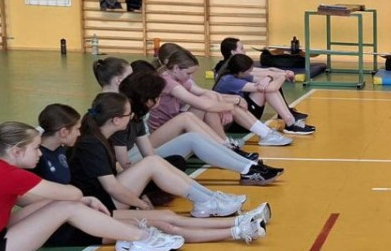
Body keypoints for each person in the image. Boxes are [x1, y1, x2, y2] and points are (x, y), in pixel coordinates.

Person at [0, 122, 183, 251]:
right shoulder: (11, 175)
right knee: (67, 207)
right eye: (36, 148)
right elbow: (71, 194)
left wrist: (85, 199)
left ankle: (126, 237)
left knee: (52, 205)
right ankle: (142, 238)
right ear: (16, 152)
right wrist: (82, 198)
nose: (40, 153)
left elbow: (38, 200)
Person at [36, 103, 269, 245]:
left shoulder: (61, 151)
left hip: (87, 212)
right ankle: (236, 230)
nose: (79, 133)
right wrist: (139, 203)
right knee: (164, 224)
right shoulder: (52, 156)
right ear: (63, 132)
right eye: (75, 129)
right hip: (74, 225)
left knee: (167, 217)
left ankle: (238, 222)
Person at [119, 69, 283, 186]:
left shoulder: (134, 114)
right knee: (191, 135)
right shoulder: (120, 116)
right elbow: (124, 163)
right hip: (133, 164)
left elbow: (147, 152)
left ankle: (248, 166)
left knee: (188, 121)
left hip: (143, 154)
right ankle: (246, 167)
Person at [154, 48, 293, 147]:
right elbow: (202, 104)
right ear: (176, 68)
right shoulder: (169, 82)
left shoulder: (180, 78)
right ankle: (225, 142)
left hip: (178, 121)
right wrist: (229, 106)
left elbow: (207, 93)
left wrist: (229, 102)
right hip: (167, 130)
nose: (191, 77)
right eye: (189, 73)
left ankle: (265, 134)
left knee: (212, 99)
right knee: (209, 105)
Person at [214, 54, 315, 135]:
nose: (251, 72)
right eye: (249, 71)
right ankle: (290, 123)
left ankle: (290, 121)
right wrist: (284, 76)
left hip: (243, 112)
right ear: (240, 72)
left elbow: (266, 77)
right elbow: (271, 87)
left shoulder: (238, 74)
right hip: (237, 122)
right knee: (266, 90)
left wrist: (269, 78)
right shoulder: (229, 81)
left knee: (265, 87)